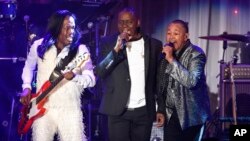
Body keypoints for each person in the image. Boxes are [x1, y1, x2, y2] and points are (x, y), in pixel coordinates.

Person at [19, 10, 96, 141]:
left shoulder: (81, 50)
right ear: (56, 27)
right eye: (66, 27)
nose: (70, 30)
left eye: (72, 26)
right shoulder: (39, 46)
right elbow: (28, 66)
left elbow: (91, 79)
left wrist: (75, 77)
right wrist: (26, 87)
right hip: (41, 108)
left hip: (70, 109)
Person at [94, 7, 165, 141]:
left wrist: (160, 108)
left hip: (144, 111)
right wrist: (116, 50)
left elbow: (158, 80)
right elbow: (100, 71)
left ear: (138, 22)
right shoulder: (108, 43)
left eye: (129, 22)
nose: (124, 26)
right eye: (121, 22)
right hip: (118, 110)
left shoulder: (154, 45)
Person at [157, 19, 211, 141]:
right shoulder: (166, 54)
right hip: (170, 114)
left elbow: (191, 81)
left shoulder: (196, 54)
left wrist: (171, 60)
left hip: (191, 117)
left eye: (176, 33)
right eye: (169, 33)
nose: (171, 37)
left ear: (186, 36)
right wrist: (160, 110)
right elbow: (161, 85)